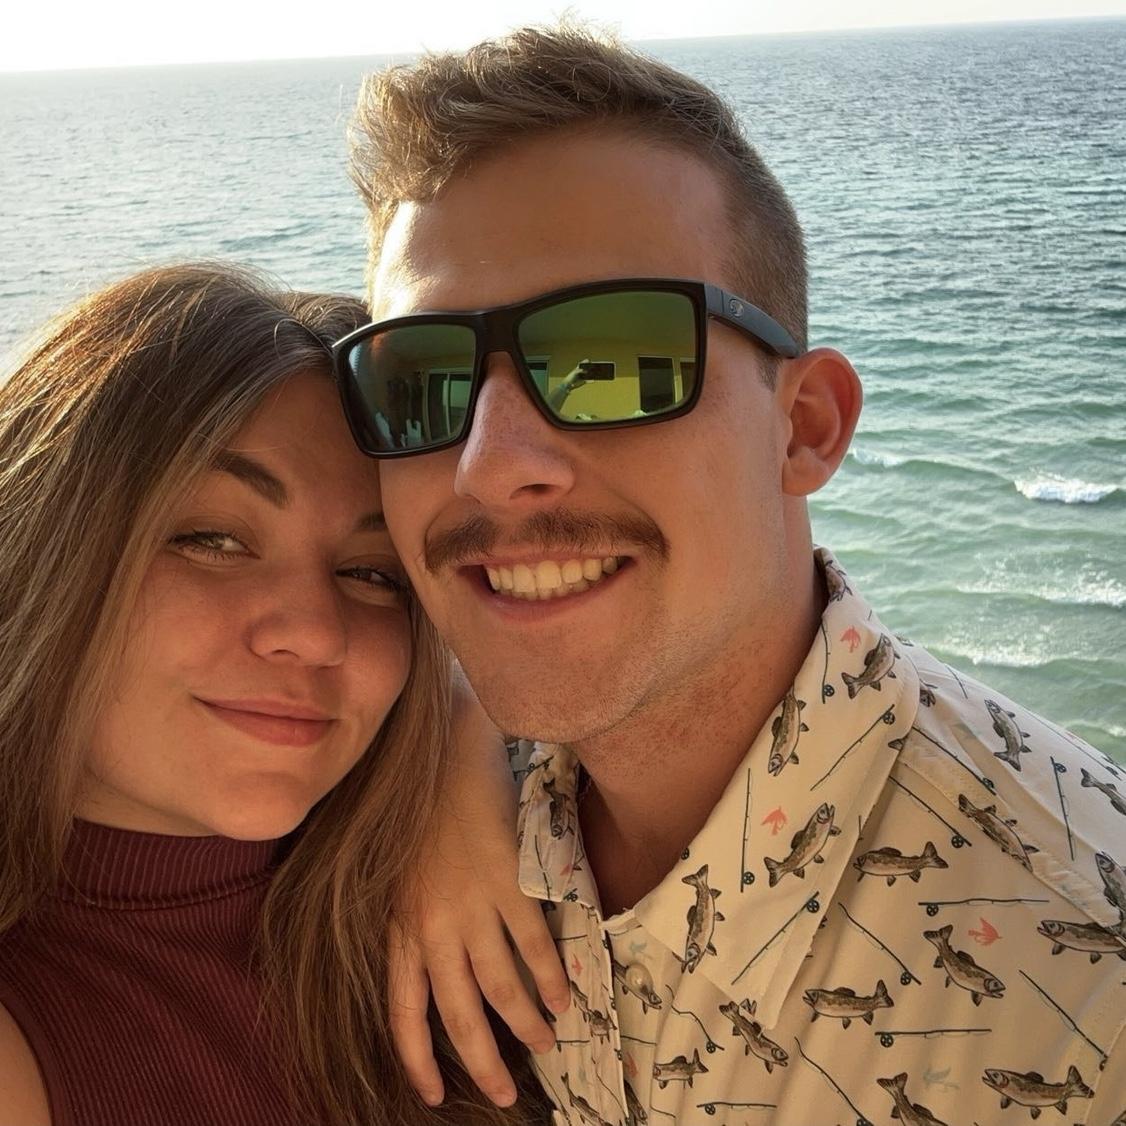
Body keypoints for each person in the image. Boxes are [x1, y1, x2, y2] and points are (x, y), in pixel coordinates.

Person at [341, 25, 1126, 1126]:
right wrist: (438, 736)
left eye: (616, 362)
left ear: (805, 426)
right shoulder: (386, 794)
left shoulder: (1085, 990)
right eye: (418, 382)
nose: (489, 464)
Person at [0, 264, 547, 1126]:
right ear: (38, 546)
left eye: (373, 574)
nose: (318, 635)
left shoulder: (518, 856)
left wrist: (460, 738)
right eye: (212, 540)